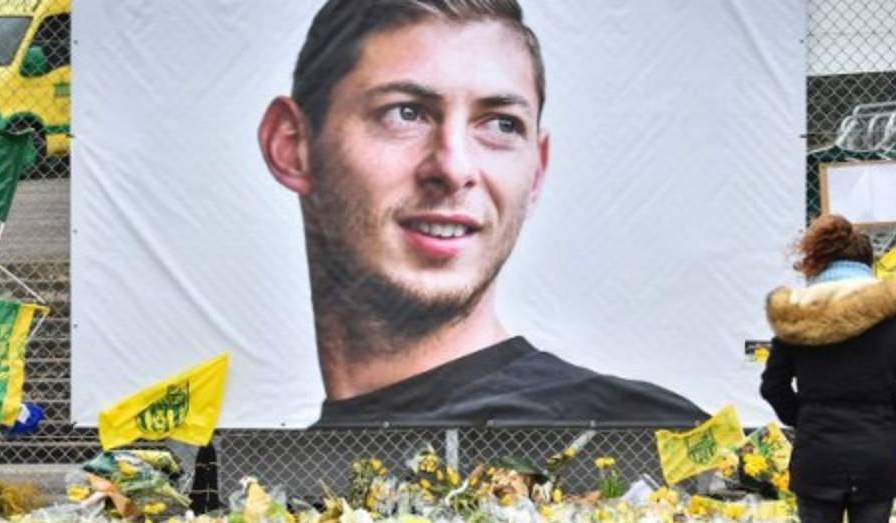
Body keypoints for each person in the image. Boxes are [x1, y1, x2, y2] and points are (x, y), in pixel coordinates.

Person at [257, 0, 707, 425]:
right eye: (405, 114)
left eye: (500, 124)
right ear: (292, 146)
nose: (454, 169)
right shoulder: (274, 475)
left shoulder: (653, 443)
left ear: (536, 172)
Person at [760, 214, 896, 523]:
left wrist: (805, 418)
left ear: (818, 260)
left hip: (816, 451)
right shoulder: (894, 316)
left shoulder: (797, 317)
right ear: (868, 262)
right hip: (876, 452)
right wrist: (887, 420)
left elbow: (773, 386)